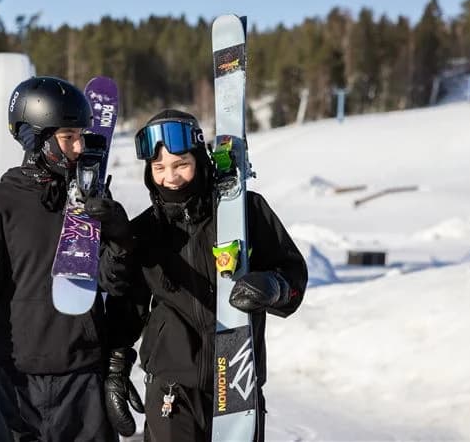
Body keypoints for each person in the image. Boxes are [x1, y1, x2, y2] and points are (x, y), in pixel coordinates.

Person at [88, 109, 308, 441]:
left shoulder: (245, 212)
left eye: (181, 165)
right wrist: (116, 366)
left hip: (237, 380)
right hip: (172, 387)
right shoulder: (145, 230)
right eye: (159, 168)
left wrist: (274, 286)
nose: (171, 177)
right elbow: (128, 306)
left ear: (200, 160)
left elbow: (293, 274)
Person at [0, 76, 120, 442]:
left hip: (84, 383)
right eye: (68, 137)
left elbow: (119, 284)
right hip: (17, 387)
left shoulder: (95, 203)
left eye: (82, 135)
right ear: (37, 139)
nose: (80, 147)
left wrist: (118, 232)